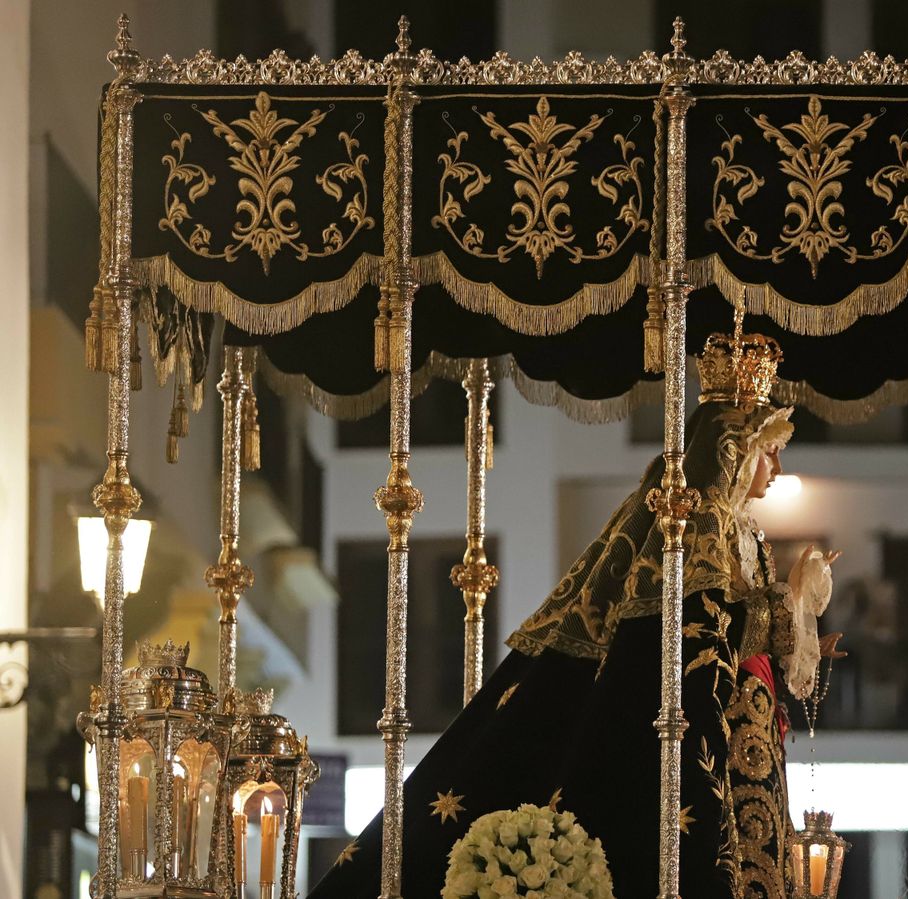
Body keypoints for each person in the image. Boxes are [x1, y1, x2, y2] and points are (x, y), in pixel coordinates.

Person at [309, 327, 841, 898]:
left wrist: (796, 626)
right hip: (705, 725)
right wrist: (790, 606)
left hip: (745, 726)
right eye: (770, 448)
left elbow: (742, 634)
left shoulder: (750, 535)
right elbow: (700, 631)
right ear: (734, 447)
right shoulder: (700, 520)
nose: (778, 467)